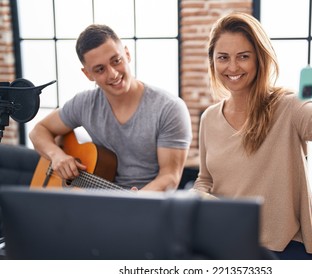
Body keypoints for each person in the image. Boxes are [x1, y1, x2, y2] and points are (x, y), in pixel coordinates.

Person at [191, 12, 312, 259]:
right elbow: (205, 180)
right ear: (213, 61)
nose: (232, 67)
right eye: (223, 58)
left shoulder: (287, 106)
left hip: (284, 248)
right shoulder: (209, 118)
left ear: (259, 59)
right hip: (229, 242)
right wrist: (200, 197)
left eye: (243, 57)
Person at [29, 24, 192, 191]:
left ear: (127, 54)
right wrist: (57, 156)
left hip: (146, 205)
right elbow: (38, 131)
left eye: (116, 61)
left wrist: (138, 200)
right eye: (100, 69)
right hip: (91, 204)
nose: (113, 74)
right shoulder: (84, 103)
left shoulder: (169, 108)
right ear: (88, 74)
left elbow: (170, 177)